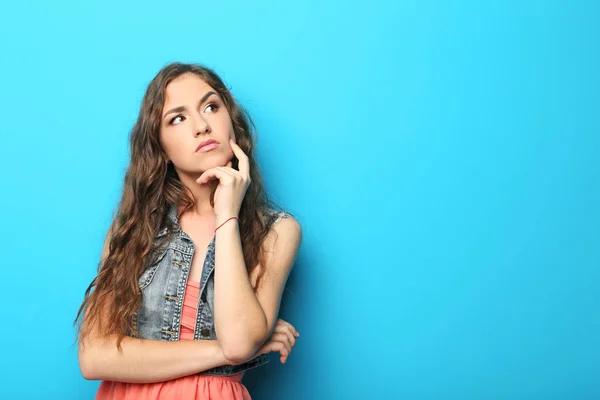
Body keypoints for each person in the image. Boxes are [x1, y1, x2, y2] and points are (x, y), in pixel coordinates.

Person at [74, 62, 303, 399]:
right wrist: (223, 354)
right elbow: (94, 357)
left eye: (212, 107)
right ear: (160, 147)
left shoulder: (276, 232)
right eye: (177, 118)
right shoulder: (133, 230)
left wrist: (227, 215)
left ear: (233, 126)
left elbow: (239, 340)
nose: (201, 126)